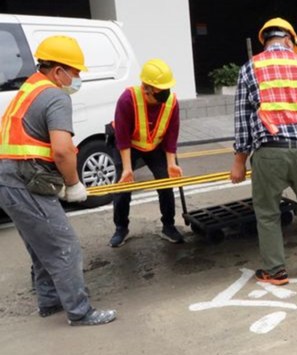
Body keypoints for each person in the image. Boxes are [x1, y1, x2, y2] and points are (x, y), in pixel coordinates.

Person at [0, 35, 116, 325]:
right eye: (75, 72)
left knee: (42, 246)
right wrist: (74, 183)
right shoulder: (54, 95)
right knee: (65, 246)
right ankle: (80, 312)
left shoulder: (29, 88)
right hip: (26, 180)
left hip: (10, 180)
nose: (77, 78)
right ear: (58, 71)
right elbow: (63, 149)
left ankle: (50, 301)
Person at [230, 18, 297, 285]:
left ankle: (276, 272)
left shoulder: (251, 67)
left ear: (265, 40)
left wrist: (239, 160)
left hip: (270, 152)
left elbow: (243, 117)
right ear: (289, 39)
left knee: (267, 213)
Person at [109, 59, 184, 247]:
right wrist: (127, 169)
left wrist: (171, 164)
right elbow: (122, 137)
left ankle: (168, 225)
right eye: (158, 93)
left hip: (155, 146)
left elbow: (171, 135)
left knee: (165, 181)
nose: (162, 98)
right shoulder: (128, 99)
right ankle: (121, 227)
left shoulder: (171, 102)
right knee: (123, 185)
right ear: (146, 88)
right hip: (129, 145)